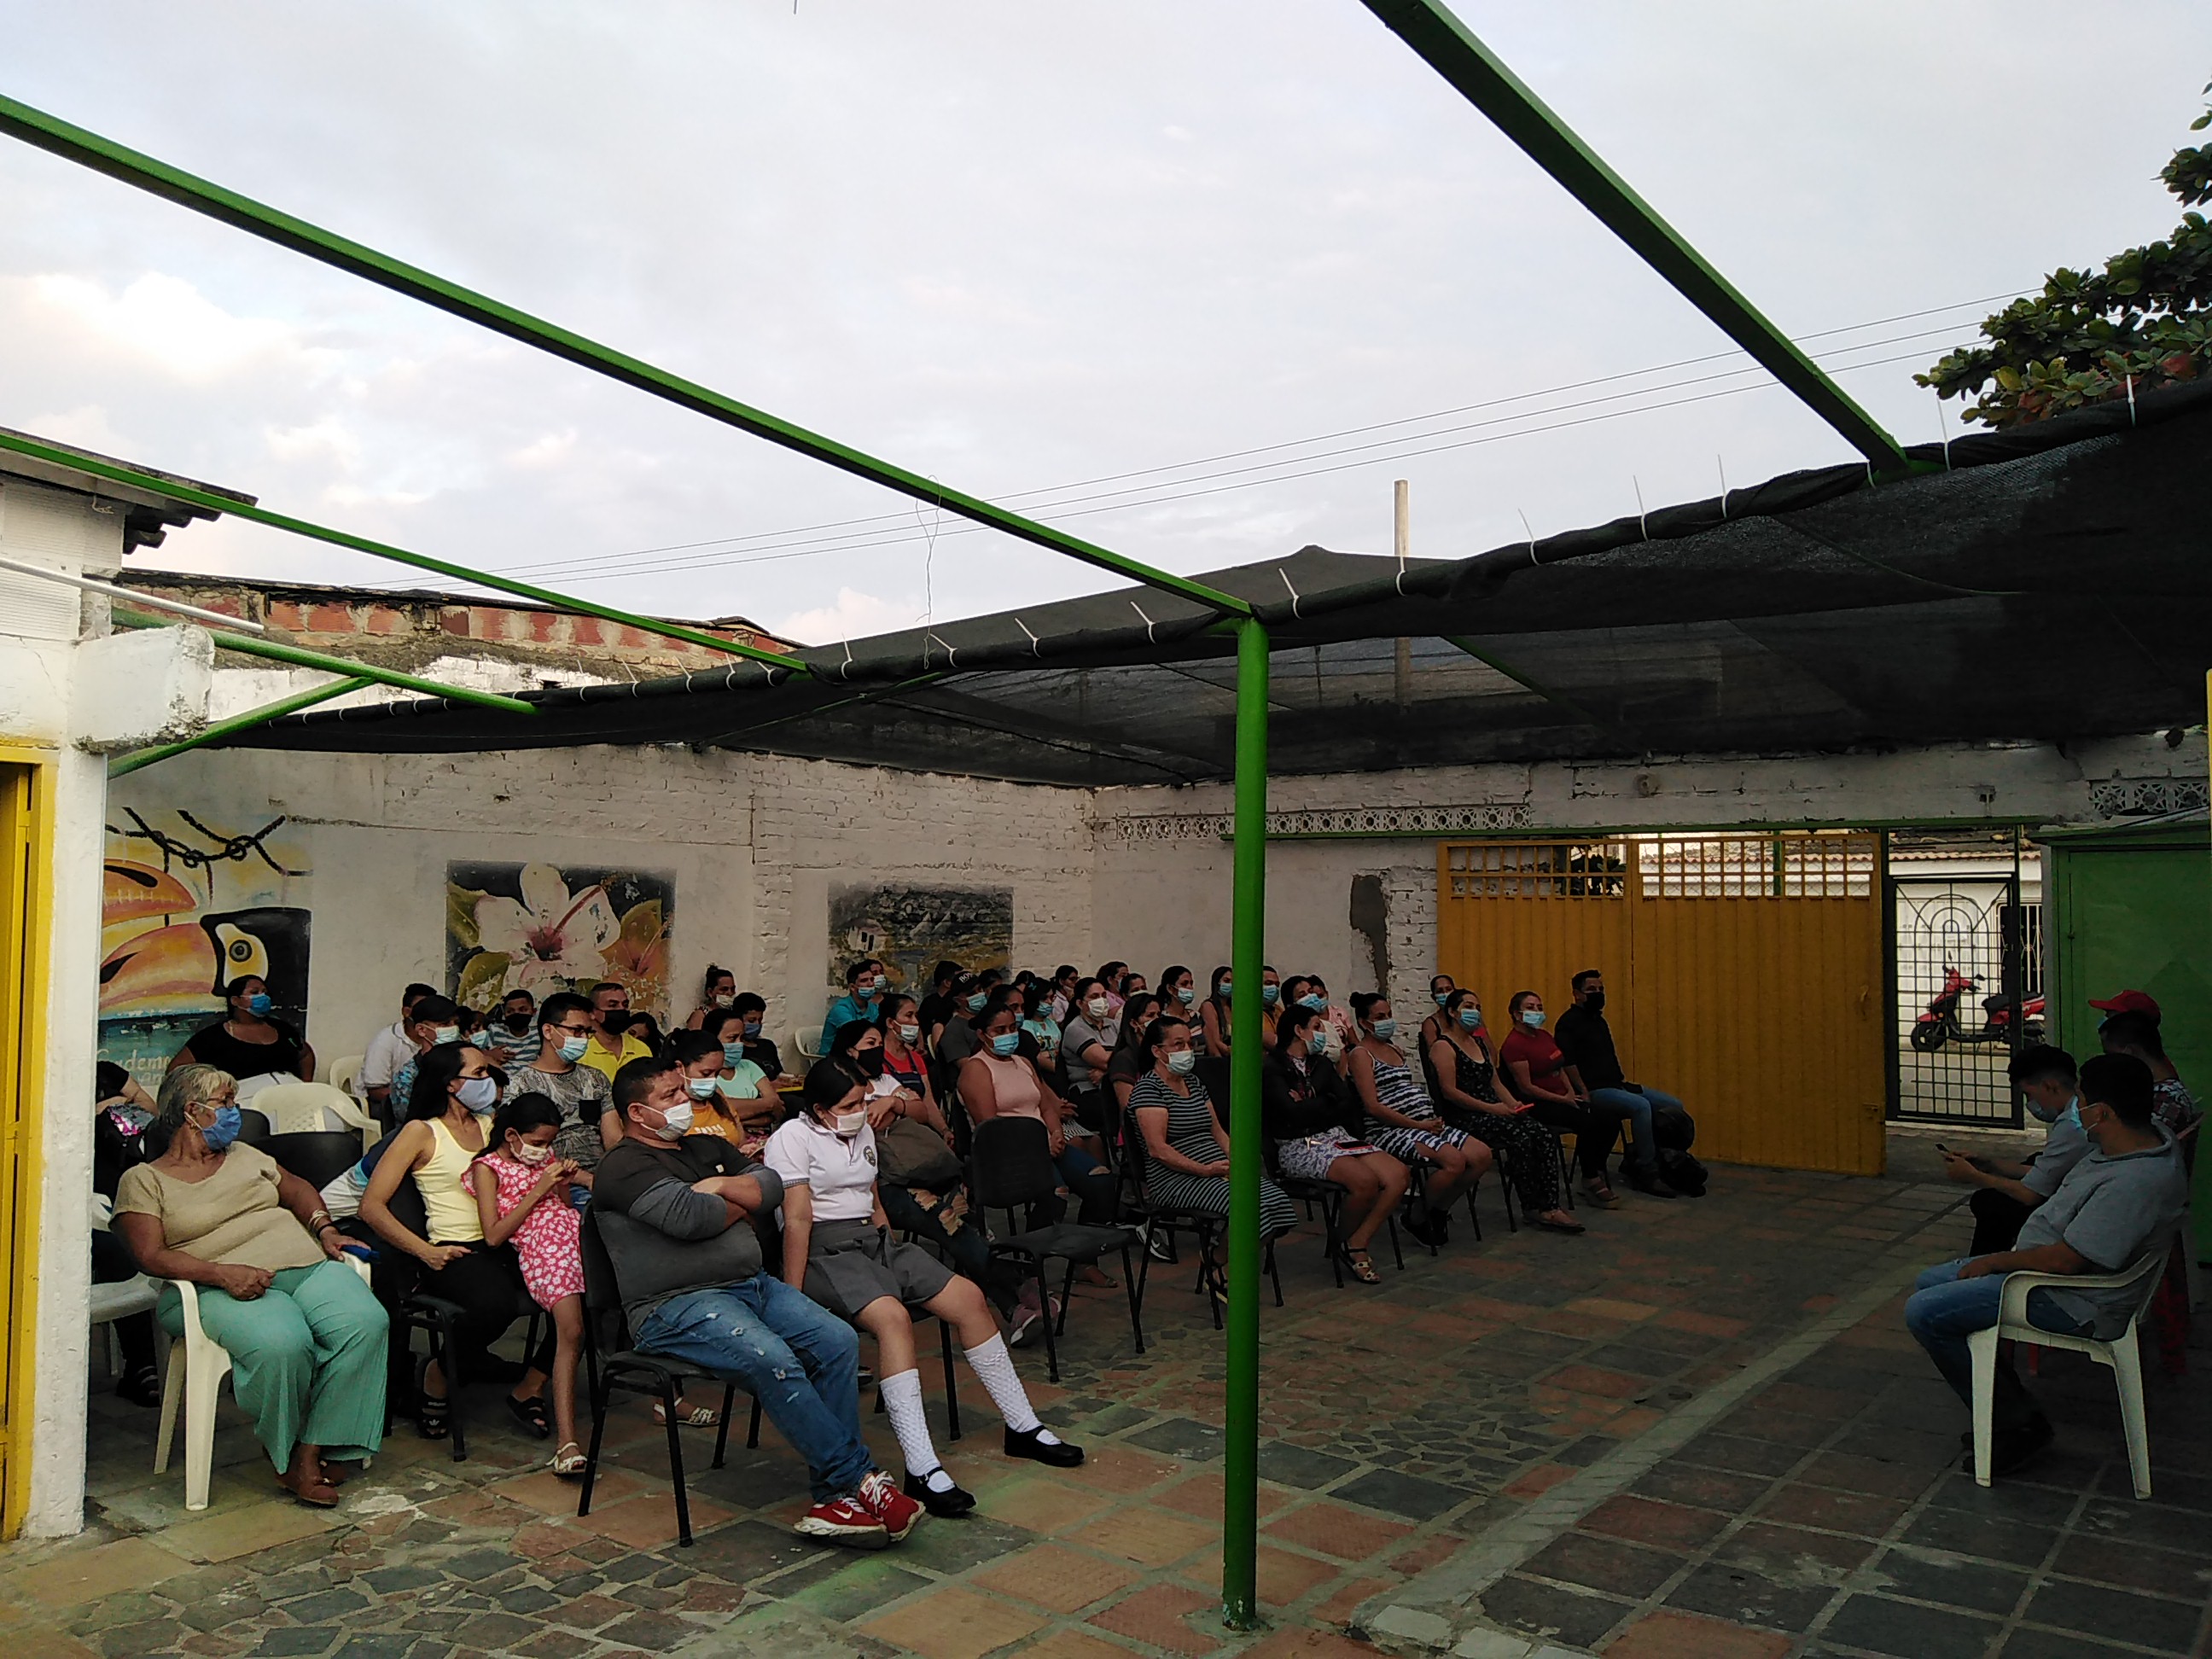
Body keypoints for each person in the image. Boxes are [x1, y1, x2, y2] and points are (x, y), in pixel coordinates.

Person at [591, 1055, 923, 1545]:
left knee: (837, 1341)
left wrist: (723, 1187)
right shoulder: (622, 1166)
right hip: (674, 1304)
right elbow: (690, 1219)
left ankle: (834, 1498)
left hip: (750, 1285)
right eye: (671, 1095)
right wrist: (737, 1203)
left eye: (682, 1089)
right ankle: (860, 1480)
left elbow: (771, 1187)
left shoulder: (704, 1146)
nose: (686, 1099)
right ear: (638, 1113)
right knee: (774, 1360)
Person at [768, 1062, 1082, 1516]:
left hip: (872, 1241)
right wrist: (792, 1297)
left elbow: (873, 1199)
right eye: (850, 1105)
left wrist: (888, 1249)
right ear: (819, 1109)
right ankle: (921, 1466)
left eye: (864, 1101)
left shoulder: (861, 1129)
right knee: (893, 1319)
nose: (861, 1111)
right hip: (824, 1251)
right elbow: (797, 1219)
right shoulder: (791, 1139)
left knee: (969, 1299)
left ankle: (1022, 1425)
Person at [113, 1064, 387, 1506]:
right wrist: (222, 1273)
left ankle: (314, 1447)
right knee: (283, 1343)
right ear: (192, 1112)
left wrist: (325, 1229)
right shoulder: (145, 1180)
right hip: (211, 1286)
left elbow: (297, 1190)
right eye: (225, 1103)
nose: (234, 1111)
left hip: (303, 1266)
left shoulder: (245, 1154)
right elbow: (150, 1255)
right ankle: (285, 1453)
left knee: (365, 1322)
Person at [1904, 1053, 2189, 1477]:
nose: (2077, 1110)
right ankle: (2007, 1406)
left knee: (1925, 1312)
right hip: (2050, 1272)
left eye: (2082, 1101)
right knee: (1930, 1281)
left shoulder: (2134, 1183)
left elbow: (2066, 1261)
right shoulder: (2137, 1140)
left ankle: (2017, 1424)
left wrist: (1997, 1261)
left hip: (2071, 1297)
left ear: (2103, 1113)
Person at [358, 1042, 553, 1441]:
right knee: (495, 1305)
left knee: (580, 1294)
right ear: (450, 1083)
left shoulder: (492, 1125)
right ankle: (439, 1373)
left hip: (510, 1239)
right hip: (455, 1248)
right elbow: (371, 1207)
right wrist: (425, 1252)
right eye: (479, 1073)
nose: (488, 1080)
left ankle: (530, 1385)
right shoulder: (421, 1132)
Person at [1130, 1017, 1299, 1296]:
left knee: (1278, 1205)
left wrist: (1238, 1161)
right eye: (1178, 1044)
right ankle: (1223, 1272)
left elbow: (1217, 1130)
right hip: (1177, 1180)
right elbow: (1158, 1149)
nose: (1187, 1050)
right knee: (1249, 1208)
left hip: (1217, 1170)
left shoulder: (1193, 1082)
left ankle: (1216, 1259)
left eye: (1189, 1043)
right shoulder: (1149, 1090)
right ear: (1157, 1051)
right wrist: (1204, 1170)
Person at [469, 1095, 589, 1476]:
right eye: (537, 1142)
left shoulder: (546, 1160)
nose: (544, 1150)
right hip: (543, 1250)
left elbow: (563, 1206)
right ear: (511, 1135)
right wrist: (537, 1190)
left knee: (601, 1313)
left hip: (572, 1236)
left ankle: (531, 1388)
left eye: (549, 1143)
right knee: (572, 1330)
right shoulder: (488, 1168)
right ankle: (567, 1441)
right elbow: (493, 1235)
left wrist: (562, 1183)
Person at [1264, 1005, 1410, 1282]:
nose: (1322, 1033)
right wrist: (1324, 1102)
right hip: (1301, 1143)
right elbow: (1291, 1114)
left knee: (1398, 1175)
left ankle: (1356, 1239)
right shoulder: (1273, 1067)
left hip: (1334, 1134)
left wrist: (1311, 1102)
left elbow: (1344, 1102)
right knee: (1364, 1182)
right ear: (1298, 1031)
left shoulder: (1320, 1064)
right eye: (1317, 1027)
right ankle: (1349, 1245)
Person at [1429, 991, 1584, 1235]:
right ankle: (1531, 1206)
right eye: (1468, 1006)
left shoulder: (1478, 1043)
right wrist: (1492, 1109)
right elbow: (1450, 1092)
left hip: (1496, 1109)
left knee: (1541, 1134)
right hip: (1467, 1114)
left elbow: (1495, 1082)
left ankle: (1550, 1206)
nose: (1474, 1012)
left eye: (1477, 1007)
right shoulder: (1443, 1046)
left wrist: (1513, 1105)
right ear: (1452, 1012)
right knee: (1520, 1138)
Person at [1342, 993, 1490, 1245]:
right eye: (1380, 1017)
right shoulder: (1361, 1055)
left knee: (1481, 1155)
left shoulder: (1394, 1049)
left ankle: (1438, 1209)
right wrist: (1418, 1125)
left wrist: (1426, 1121)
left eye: (1389, 1015)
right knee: (1453, 1161)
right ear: (1364, 1023)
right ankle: (1419, 1214)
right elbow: (1373, 1107)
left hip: (1425, 1124)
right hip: (1391, 1130)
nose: (1387, 1021)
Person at [958, 1000, 1117, 1229]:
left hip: (1047, 1144)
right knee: (1056, 1193)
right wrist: (1040, 1145)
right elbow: (991, 1126)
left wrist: (1057, 1134)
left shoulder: (1023, 1063)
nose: (1009, 1034)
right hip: (1009, 1152)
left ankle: (1087, 1246)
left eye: (1012, 1028)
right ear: (982, 1035)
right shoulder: (976, 1069)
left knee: (1101, 1180)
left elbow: (1046, 1107)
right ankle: (1035, 1247)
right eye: (1000, 1030)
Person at [1942, 1046, 2089, 1254]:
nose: (2030, 1104)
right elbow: (2045, 1171)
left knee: (1991, 1203)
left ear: (2050, 1086)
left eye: (2029, 1094)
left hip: (2076, 1206)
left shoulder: (2071, 1126)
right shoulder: (2074, 1112)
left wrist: (1974, 1176)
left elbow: (2030, 1194)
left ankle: (1987, 1265)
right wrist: (1990, 1165)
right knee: (2031, 1162)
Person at [1552, 970, 1679, 1198]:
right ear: (1577, 994)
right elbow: (1567, 1062)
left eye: (1601, 989)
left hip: (1617, 1084)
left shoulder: (1599, 1020)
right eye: (1592, 990)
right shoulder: (1568, 1023)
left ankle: (1653, 1157)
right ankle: (1647, 1171)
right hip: (1595, 1089)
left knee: (1672, 1106)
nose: (1598, 993)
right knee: (1641, 1107)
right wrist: (1583, 1090)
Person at [1500, 991, 1623, 1208]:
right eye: (1530, 1008)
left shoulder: (1545, 1036)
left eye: (1539, 1008)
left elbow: (1559, 1067)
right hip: (1538, 1103)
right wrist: (1562, 1100)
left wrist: (1571, 1092)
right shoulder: (1514, 1044)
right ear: (1517, 1015)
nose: (1537, 1012)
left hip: (1564, 1096)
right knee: (1587, 1123)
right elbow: (1526, 1087)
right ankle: (1591, 1178)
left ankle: (1594, 1167)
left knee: (1611, 1119)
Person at [93, 1062, 162, 1406]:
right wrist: (104, 1109)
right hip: (87, 1189)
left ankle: (143, 1364)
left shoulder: (105, 1071)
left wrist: (113, 1104)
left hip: (129, 1172)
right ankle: (141, 1364)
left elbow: (150, 1108)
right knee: (116, 1247)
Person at [500, 992, 622, 1184]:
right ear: (548, 1031)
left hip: (603, 1177)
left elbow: (613, 1138)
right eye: (577, 1030)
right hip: (552, 1181)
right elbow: (521, 1150)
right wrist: (584, 1179)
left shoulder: (596, 1078)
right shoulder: (519, 1085)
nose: (584, 1038)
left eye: (588, 1032)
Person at [170, 975, 316, 1092]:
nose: (263, 997)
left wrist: (306, 1085)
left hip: (290, 1099)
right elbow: (177, 1069)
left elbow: (305, 1055)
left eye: (265, 992)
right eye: (255, 992)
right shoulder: (213, 1037)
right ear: (236, 1000)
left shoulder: (283, 1030)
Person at [2096, 1004, 2201, 1139]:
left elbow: (2136, 1143)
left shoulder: (2166, 1098)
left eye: (2110, 1054)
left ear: (2130, 1052)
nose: (2109, 1061)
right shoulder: (2158, 1092)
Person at [688, 1011, 781, 1151]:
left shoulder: (749, 1066)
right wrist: (764, 1106)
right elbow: (723, 1108)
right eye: (732, 1038)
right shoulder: (703, 1079)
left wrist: (737, 1119)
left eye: (741, 1038)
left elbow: (776, 1107)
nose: (739, 1044)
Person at [362, 982, 438, 1117]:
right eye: (422, 1009)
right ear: (406, 1012)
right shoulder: (385, 1040)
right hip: (383, 1105)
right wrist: (414, 1100)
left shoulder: (436, 1038)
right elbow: (375, 1091)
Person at [387, 994, 466, 1119]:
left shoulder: (467, 1063)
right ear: (422, 1030)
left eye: (456, 1023)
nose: (453, 1028)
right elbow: (409, 1119)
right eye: (445, 1024)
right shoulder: (407, 1076)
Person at [580, 981, 652, 1082]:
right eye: (613, 1005)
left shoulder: (641, 1049)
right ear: (593, 1012)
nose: (621, 1009)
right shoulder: (581, 1050)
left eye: (625, 1005)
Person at [822, 960, 889, 1055]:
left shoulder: (873, 1008)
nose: (870, 984)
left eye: (872, 979)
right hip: (834, 1058)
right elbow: (855, 1038)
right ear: (853, 987)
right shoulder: (841, 1009)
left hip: (862, 1055)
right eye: (864, 980)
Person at [732, 991, 794, 1085]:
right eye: (751, 1021)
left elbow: (778, 1074)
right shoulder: (735, 1051)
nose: (757, 1024)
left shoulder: (767, 1046)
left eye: (760, 1020)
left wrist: (789, 1079)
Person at [476, 988, 542, 1070]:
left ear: (533, 1011)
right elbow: (470, 1051)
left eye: (523, 1010)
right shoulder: (495, 1031)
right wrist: (490, 1054)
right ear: (504, 1014)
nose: (516, 1014)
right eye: (510, 1011)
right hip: (501, 1077)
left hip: (530, 1077)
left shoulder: (539, 1035)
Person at [936, 975, 991, 1066]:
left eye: (980, 989)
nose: (980, 994)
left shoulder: (989, 1020)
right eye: (972, 993)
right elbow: (967, 1067)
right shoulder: (953, 1031)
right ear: (958, 1000)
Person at [684, 964, 740, 1031]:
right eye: (724, 989)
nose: (730, 993)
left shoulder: (734, 1012)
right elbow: (694, 1036)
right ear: (710, 992)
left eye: (733, 989)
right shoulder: (701, 1015)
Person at [1418, 974, 1458, 1056]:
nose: (1445, 994)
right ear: (1433, 997)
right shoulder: (1431, 1024)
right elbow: (1433, 1054)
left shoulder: (1468, 1016)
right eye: (1440, 991)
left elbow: (1483, 1040)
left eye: (1448, 989)